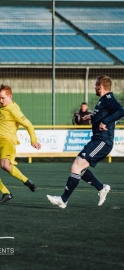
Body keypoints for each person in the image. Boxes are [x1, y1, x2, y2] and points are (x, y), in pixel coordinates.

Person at [47, 75, 124, 209]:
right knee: (79, 168)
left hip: (103, 141)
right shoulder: (103, 101)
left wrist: (105, 122)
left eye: (95, 85)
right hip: (97, 140)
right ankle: (101, 188)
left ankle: (63, 199)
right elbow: (103, 114)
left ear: (100, 86)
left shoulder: (109, 99)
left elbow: (121, 111)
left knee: (76, 166)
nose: (94, 87)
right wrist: (93, 116)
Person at [0, 84, 41, 203]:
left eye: (3, 98)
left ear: (10, 97)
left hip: (7, 142)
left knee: (5, 165)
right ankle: (6, 193)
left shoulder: (14, 110)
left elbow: (28, 124)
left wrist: (34, 140)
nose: (1, 100)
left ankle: (26, 181)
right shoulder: (1, 102)